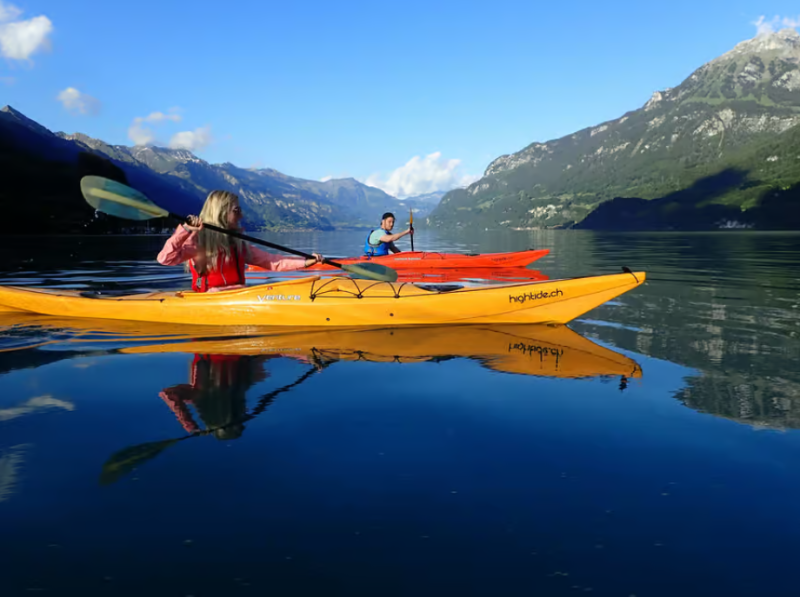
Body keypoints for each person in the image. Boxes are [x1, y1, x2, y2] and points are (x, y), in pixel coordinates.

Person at [157, 190, 323, 292]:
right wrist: (185, 230)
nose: (241, 215)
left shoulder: (238, 243)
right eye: (236, 210)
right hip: (210, 301)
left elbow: (273, 262)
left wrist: (306, 262)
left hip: (239, 296)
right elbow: (165, 259)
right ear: (220, 212)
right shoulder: (197, 241)